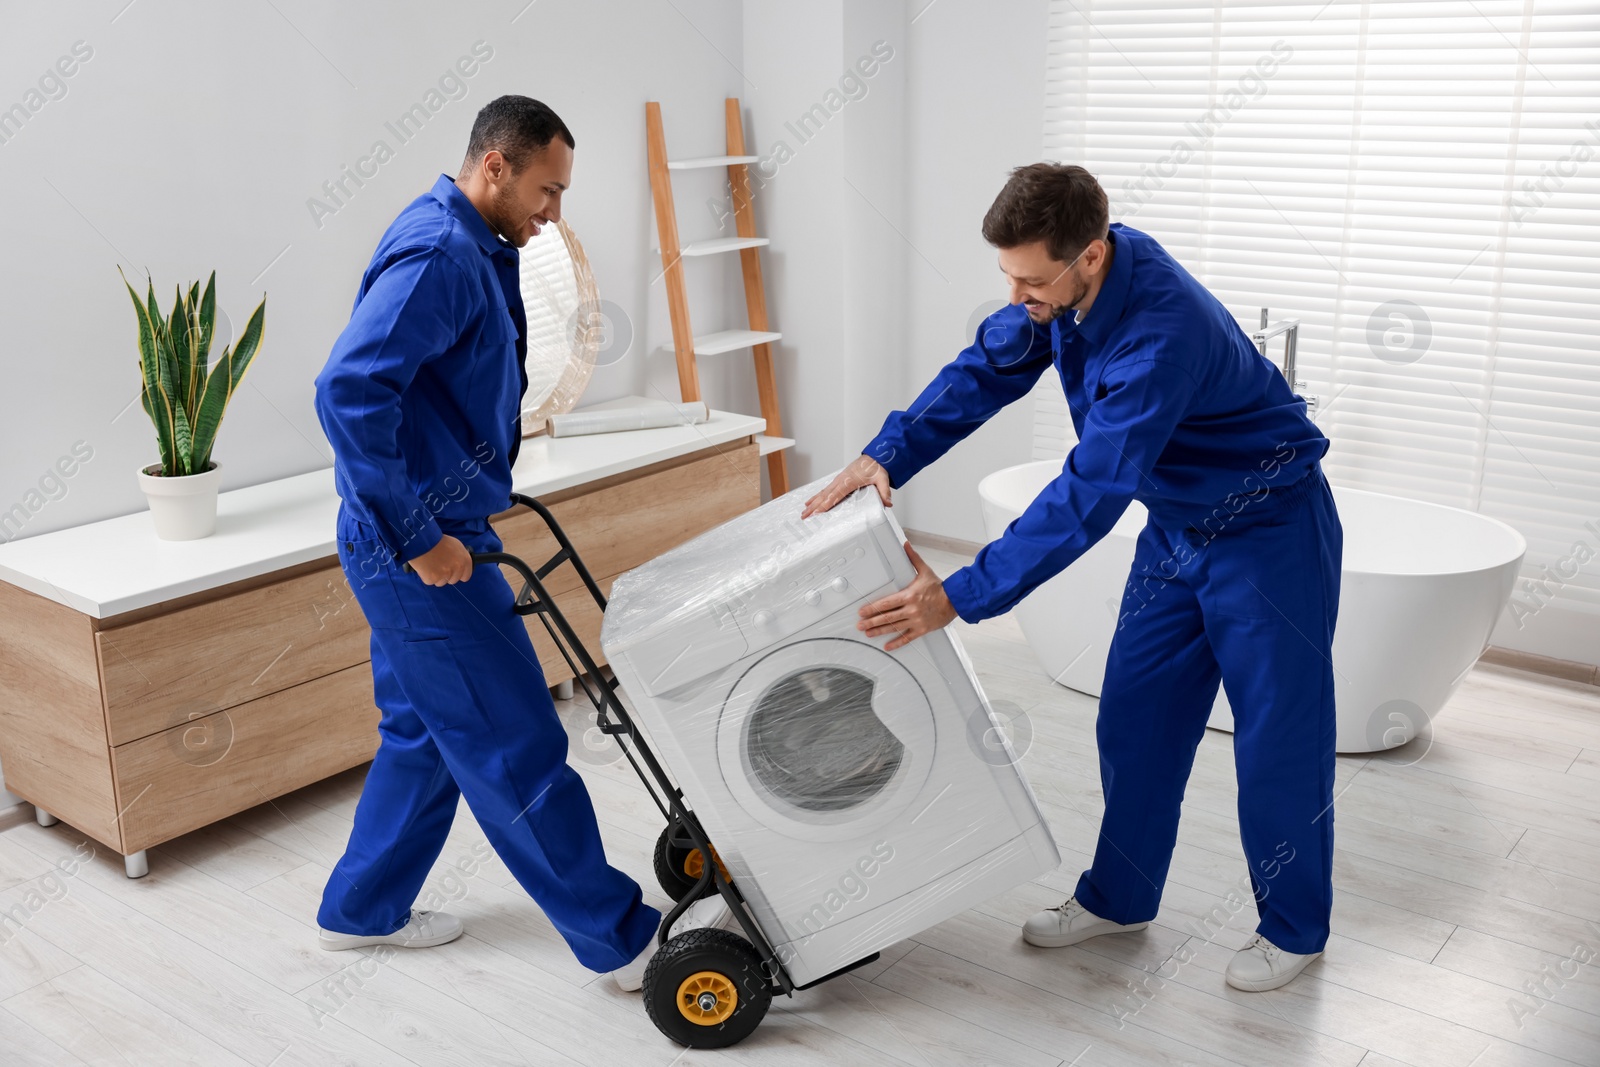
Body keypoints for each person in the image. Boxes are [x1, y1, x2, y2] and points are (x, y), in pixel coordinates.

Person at [802, 163, 1342, 993]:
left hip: (1269, 532)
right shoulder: (1063, 292)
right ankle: (1120, 899)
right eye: (1007, 276)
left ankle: (1294, 927)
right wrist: (889, 454)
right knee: (1135, 717)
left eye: (1030, 277)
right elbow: (986, 368)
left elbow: (1088, 493)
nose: (1017, 293)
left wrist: (960, 593)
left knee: (1277, 738)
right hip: (1177, 528)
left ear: (1090, 255)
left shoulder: (1162, 335)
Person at [311, 95, 671, 992]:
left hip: (436, 527)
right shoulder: (441, 253)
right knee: (513, 740)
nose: (555, 216)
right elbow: (348, 393)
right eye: (547, 192)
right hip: (417, 548)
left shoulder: (477, 240)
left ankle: (362, 909)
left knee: (425, 733)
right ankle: (620, 938)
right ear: (495, 167)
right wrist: (420, 536)